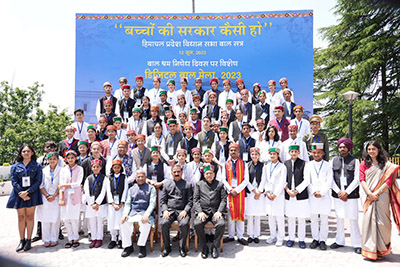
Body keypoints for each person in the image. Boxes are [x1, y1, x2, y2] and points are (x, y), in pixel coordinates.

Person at [360, 141, 400, 260]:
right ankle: (371, 250)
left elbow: (388, 182)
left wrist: (376, 193)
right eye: (369, 149)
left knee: (383, 223)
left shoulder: (387, 165)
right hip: (368, 196)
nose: (371, 151)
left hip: (382, 196)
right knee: (369, 221)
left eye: (373, 149)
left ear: (378, 150)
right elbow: (362, 179)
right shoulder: (363, 164)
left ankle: (382, 249)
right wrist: (370, 193)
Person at [7, 145, 43, 252]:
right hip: (19, 195)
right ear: (20, 153)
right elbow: (14, 181)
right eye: (24, 151)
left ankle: (28, 240)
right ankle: (21, 240)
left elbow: (38, 181)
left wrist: (27, 192)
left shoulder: (37, 166)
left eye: (28, 151)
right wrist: (22, 193)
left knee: (30, 217)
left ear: (32, 153)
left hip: (32, 194)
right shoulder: (15, 167)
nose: (26, 153)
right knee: (21, 217)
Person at [330, 138, 362, 254]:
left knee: (353, 218)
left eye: (344, 147)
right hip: (337, 194)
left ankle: (357, 243)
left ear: (349, 148)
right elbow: (331, 179)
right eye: (340, 147)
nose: (342, 149)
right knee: (339, 218)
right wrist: (339, 192)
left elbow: (357, 179)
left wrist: (346, 192)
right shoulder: (333, 160)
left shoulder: (355, 161)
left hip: (351, 195)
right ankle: (339, 241)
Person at [120, 169, 157, 258]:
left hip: (145, 213)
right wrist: (125, 214)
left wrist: (146, 215)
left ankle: (142, 246)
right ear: (135, 178)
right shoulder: (131, 189)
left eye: (142, 176)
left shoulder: (151, 188)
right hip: (133, 213)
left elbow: (152, 203)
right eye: (138, 177)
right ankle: (128, 246)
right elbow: (128, 203)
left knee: (145, 223)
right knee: (124, 222)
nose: (140, 178)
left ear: (145, 177)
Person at [194, 164, 227, 259]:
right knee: (197, 224)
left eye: (210, 173)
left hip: (215, 212)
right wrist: (199, 211)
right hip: (203, 212)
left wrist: (220, 211)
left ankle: (215, 247)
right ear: (204, 175)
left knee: (221, 224)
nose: (209, 175)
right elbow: (195, 200)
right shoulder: (199, 184)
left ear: (214, 174)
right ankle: (204, 247)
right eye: (207, 173)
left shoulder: (219, 184)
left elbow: (224, 200)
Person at [160, 164, 193, 257]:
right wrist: (165, 210)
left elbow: (190, 201)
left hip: (182, 210)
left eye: (178, 172)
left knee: (184, 224)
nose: (176, 173)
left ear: (182, 172)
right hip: (169, 211)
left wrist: (186, 210)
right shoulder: (167, 185)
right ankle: (167, 247)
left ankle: (182, 248)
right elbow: (163, 201)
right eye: (174, 172)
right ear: (171, 173)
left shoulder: (187, 185)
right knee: (164, 223)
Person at [305, 143, 332, 251]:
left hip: (324, 196)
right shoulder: (309, 165)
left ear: (323, 153)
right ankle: (315, 239)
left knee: (324, 219)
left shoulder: (327, 164)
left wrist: (322, 192)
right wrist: (313, 191)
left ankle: (323, 240)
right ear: (312, 153)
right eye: (314, 153)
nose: (316, 154)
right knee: (314, 219)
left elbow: (329, 180)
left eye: (318, 153)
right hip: (313, 195)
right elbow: (307, 180)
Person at [222, 143, 249, 246]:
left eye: (235, 150)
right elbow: (223, 179)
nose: (233, 152)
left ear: (238, 151)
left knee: (240, 214)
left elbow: (246, 180)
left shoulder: (244, 163)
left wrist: (237, 190)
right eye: (231, 150)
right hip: (229, 193)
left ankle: (241, 236)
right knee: (230, 215)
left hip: (240, 193)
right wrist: (230, 189)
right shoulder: (226, 163)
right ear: (229, 152)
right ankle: (230, 235)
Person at [284, 144, 310, 249]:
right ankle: (291, 238)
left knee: (301, 218)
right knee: (290, 218)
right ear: (289, 153)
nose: (293, 153)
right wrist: (288, 190)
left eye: (295, 151)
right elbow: (283, 180)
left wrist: (297, 191)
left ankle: (301, 239)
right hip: (289, 194)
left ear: (299, 152)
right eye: (292, 152)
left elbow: (307, 180)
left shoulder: (304, 164)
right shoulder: (285, 164)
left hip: (301, 195)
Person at [59, 150, 84, 248]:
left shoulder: (80, 169)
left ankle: (76, 238)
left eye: (72, 158)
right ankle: (70, 238)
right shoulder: (63, 170)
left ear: (76, 158)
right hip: (66, 196)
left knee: (74, 218)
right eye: (68, 158)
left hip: (75, 196)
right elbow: (60, 185)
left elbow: (78, 183)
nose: (70, 160)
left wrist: (65, 185)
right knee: (66, 219)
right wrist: (61, 197)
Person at [36, 152, 61, 247]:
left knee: (55, 219)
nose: (52, 161)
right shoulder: (43, 171)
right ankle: (46, 239)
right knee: (45, 219)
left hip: (56, 197)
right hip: (45, 197)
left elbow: (61, 184)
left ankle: (54, 238)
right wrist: (47, 196)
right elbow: (41, 185)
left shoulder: (61, 170)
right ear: (47, 160)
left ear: (57, 160)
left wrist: (54, 196)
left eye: (54, 159)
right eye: (50, 159)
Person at [264, 147, 287, 246]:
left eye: (274, 154)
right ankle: (272, 235)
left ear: (278, 155)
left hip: (278, 195)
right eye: (271, 154)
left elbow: (282, 182)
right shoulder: (266, 166)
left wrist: (275, 194)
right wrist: (267, 192)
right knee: (271, 216)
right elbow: (264, 180)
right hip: (269, 195)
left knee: (279, 217)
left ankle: (280, 237)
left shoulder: (282, 167)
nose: (272, 156)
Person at [84, 159, 107, 248]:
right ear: (91, 168)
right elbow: (86, 191)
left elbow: (103, 191)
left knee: (100, 222)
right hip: (91, 204)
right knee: (92, 221)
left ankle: (99, 238)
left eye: (98, 166)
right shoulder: (88, 178)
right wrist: (91, 203)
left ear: (101, 168)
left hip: (100, 204)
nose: (96, 168)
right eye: (94, 167)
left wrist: (97, 203)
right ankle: (93, 238)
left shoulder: (104, 178)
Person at [106, 159, 129, 248]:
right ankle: (113, 238)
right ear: (112, 168)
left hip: (120, 204)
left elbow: (125, 190)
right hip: (112, 204)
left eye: (118, 167)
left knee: (120, 221)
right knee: (112, 221)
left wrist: (121, 203)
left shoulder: (124, 177)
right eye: (114, 167)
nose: (116, 169)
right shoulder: (109, 177)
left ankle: (120, 238)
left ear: (121, 168)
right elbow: (108, 191)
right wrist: (112, 203)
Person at [245, 147, 266, 244]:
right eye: (252, 154)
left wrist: (259, 191)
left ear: (259, 155)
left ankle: (256, 234)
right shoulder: (247, 165)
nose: (254, 156)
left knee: (257, 215)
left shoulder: (263, 165)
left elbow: (264, 179)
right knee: (250, 215)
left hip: (259, 193)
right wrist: (253, 191)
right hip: (250, 193)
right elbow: (246, 180)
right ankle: (250, 234)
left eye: (256, 154)